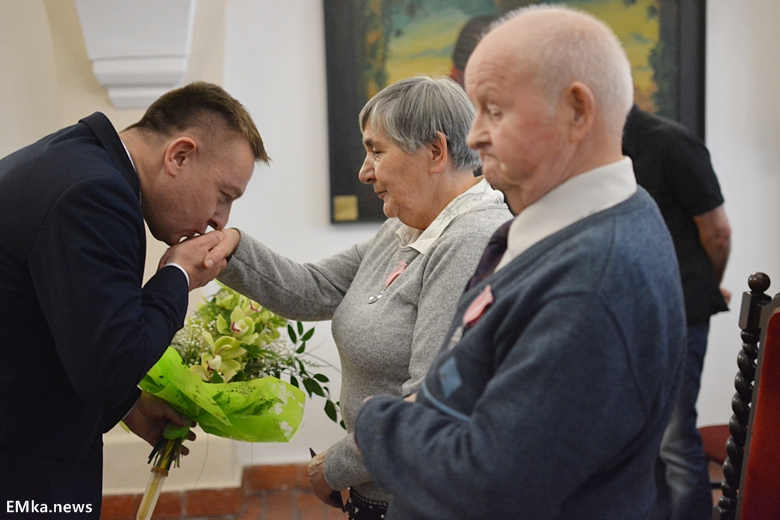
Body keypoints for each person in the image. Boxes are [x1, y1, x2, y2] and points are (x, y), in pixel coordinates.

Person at [351, 6, 687, 519]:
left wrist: (378, 420)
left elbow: (487, 485)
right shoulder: (580, 219)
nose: (473, 136)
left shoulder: (591, 283)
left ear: (577, 111)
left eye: (493, 110)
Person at [203, 75, 512, 519]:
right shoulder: (408, 227)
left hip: (420, 499)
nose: (365, 172)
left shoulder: (470, 240)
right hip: (386, 487)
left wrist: (335, 467)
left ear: (435, 152)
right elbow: (314, 289)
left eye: (377, 151)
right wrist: (229, 249)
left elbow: (429, 403)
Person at [0, 81, 268, 517]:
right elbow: (109, 369)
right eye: (224, 196)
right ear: (179, 155)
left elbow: (63, 329)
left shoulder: (74, 160)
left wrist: (130, 404)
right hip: (21, 469)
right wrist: (177, 275)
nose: (219, 220)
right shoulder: (96, 194)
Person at [623, 104, 731, 520]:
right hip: (634, 310)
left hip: (680, 312)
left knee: (673, 437)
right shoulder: (603, 150)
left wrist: (704, 282)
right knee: (642, 439)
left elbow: (717, 232)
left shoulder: (670, 142)